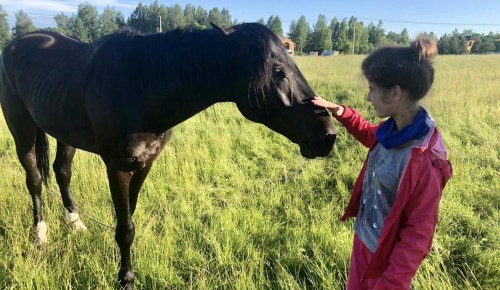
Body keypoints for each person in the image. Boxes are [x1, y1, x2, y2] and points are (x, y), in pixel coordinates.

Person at [312, 36, 453, 290]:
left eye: (372, 89)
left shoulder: (425, 158)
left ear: (395, 93)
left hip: (386, 263)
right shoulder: (394, 128)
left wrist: (391, 283)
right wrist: (340, 111)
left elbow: (417, 234)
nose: (368, 97)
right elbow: (371, 135)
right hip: (364, 242)